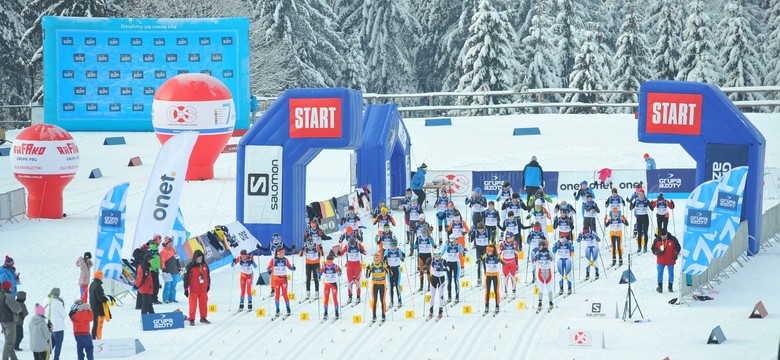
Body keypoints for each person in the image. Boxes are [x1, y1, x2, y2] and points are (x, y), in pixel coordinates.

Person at [184, 249, 211, 325]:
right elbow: (185, 278)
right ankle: (192, 319)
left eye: (201, 257)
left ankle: (203, 317)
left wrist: (208, 285)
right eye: (198, 258)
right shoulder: (190, 266)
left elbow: (208, 275)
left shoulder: (204, 265)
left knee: (203, 304)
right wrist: (186, 289)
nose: (200, 259)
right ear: (195, 258)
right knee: (193, 305)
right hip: (194, 290)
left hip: (203, 289)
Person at [266, 247, 295, 318]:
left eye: (284, 253)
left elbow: (289, 267)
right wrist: (269, 271)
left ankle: (288, 308)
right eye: (282, 253)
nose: (283, 254)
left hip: (284, 280)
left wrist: (293, 268)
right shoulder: (273, 259)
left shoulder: (285, 260)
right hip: (276, 280)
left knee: (285, 294)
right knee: (277, 294)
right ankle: (277, 309)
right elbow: (268, 267)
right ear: (278, 253)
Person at [339, 234, 367, 305]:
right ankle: (350, 297)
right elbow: (341, 253)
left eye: (353, 245)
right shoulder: (347, 245)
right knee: (350, 282)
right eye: (351, 245)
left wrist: (362, 251)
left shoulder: (358, 245)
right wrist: (339, 252)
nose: (352, 246)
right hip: (350, 266)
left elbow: (365, 252)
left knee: (357, 282)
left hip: (357, 266)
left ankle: (358, 297)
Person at [651, 229, 681, 293]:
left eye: (664, 236)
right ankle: (660, 287)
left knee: (671, 273)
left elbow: (678, 247)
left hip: (670, 259)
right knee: (660, 273)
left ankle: (670, 286)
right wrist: (657, 252)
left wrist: (676, 253)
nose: (663, 237)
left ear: (666, 234)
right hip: (660, 260)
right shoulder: (657, 240)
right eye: (662, 236)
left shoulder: (673, 239)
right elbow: (653, 249)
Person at [441, 234, 466, 304]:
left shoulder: (458, 246)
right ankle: (449, 296)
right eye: (455, 240)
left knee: (456, 280)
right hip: (448, 264)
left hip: (456, 264)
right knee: (449, 281)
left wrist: (464, 252)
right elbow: (440, 254)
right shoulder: (446, 246)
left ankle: (457, 296)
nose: (456, 241)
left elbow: (463, 253)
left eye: (456, 240)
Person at [1, 280, 22, 360]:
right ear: (8, 287)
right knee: (9, 343)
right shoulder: (8, 296)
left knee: (10, 342)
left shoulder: (1, 295)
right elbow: (17, 309)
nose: (11, 288)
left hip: (3, 321)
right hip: (10, 321)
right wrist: (19, 308)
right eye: (10, 287)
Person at [365, 253, 389, 324]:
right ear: (373, 260)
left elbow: (390, 274)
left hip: (382, 285)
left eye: (378, 259)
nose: (377, 261)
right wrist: (367, 270)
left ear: (380, 259)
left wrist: (388, 268)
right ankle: (374, 315)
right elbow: (367, 276)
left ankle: (383, 314)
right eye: (375, 260)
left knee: (382, 300)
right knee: (374, 300)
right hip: (375, 285)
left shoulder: (383, 265)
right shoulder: (372, 266)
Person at [88, 271, 112, 340]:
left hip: (93, 307)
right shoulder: (98, 286)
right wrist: (108, 298)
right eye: (102, 276)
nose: (103, 277)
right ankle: (98, 341)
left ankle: (93, 338)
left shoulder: (92, 284)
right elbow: (100, 298)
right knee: (99, 326)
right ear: (100, 277)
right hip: (99, 309)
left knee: (95, 325)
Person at [318, 254, 341, 320]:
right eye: (328, 262)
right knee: (326, 299)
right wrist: (318, 274)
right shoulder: (324, 266)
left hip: (333, 284)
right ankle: (325, 312)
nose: (329, 263)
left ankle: (336, 313)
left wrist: (339, 272)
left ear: (332, 261)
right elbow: (320, 272)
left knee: (335, 299)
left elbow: (339, 274)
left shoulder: (335, 266)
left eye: (330, 262)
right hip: (327, 284)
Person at [482, 244, 504, 315]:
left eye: (489, 251)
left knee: (496, 291)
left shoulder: (496, 257)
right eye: (487, 250)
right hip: (488, 275)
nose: (487, 252)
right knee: (487, 291)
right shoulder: (485, 256)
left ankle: (497, 306)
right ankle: (486, 306)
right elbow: (480, 258)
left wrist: (500, 260)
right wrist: (479, 259)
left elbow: (503, 262)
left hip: (495, 276)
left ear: (492, 251)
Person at [414, 226, 436, 292]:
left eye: (425, 233)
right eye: (423, 233)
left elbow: (434, 245)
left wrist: (434, 244)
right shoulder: (418, 238)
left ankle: (429, 285)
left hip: (428, 256)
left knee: (428, 271)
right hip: (421, 256)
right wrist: (415, 246)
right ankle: (421, 286)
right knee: (421, 271)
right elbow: (415, 246)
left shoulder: (429, 238)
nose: (423, 235)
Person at [383, 240, 405, 309]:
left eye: (394, 246)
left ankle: (399, 301)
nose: (393, 247)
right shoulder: (387, 251)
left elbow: (402, 259)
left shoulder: (398, 251)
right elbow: (384, 261)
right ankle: (391, 301)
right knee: (391, 286)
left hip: (397, 269)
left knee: (397, 286)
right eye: (392, 246)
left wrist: (403, 256)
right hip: (390, 270)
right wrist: (386, 264)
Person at [629, 189, 652, 253]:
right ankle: (639, 247)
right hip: (639, 218)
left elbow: (652, 209)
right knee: (639, 233)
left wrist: (650, 204)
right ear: (638, 194)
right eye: (640, 194)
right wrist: (630, 204)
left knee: (645, 232)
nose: (641, 196)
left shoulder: (646, 200)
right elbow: (631, 208)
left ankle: (645, 246)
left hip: (645, 217)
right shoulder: (636, 200)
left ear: (644, 194)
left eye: (642, 194)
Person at [534, 240, 554, 312]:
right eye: (538, 247)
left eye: (540, 246)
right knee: (541, 288)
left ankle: (551, 302)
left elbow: (554, 262)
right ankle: (539, 302)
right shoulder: (538, 253)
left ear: (544, 246)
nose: (539, 248)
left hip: (548, 272)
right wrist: (535, 260)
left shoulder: (549, 253)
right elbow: (534, 263)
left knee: (549, 288)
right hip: (541, 272)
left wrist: (551, 259)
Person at [160, 237, 181, 304]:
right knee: (167, 286)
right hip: (167, 271)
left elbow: (177, 259)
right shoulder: (163, 252)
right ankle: (165, 299)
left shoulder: (173, 250)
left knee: (173, 286)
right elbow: (162, 261)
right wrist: (163, 269)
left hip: (175, 270)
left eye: (171, 243)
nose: (171, 244)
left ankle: (172, 298)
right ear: (166, 244)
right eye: (169, 243)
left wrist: (179, 266)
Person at [447, 211, 469, 275]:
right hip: (454, 240)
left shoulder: (463, 222)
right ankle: (456, 269)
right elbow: (448, 229)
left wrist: (464, 233)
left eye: (457, 220)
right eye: (455, 220)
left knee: (460, 255)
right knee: (455, 255)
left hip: (461, 239)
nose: (456, 221)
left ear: (459, 218)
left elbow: (468, 230)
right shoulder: (452, 222)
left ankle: (462, 269)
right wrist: (446, 229)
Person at [499, 232, 520, 298]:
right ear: (508, 237)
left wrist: (515, 249)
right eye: (512, 237)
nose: (513, 238)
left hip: (512, 261)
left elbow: (517, 253)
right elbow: (499, 253)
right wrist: (502, 250)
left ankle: (513, 291)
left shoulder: (514, 243)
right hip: (505, 262)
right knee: (506, 277)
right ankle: (505, 292)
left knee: (513, 277)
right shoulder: (502, 243)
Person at [47, 287, 66, 360]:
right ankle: (56, 357)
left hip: (49, 325)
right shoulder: (58, 302)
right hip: (58, 326)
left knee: (51, 343)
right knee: (58, 344)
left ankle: (47, 355)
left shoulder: (46, 300)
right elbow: (63, 315)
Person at [428, 253, 447, 320]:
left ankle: (440, 311)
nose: (436, 257)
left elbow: (448, 269)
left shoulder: (443, 261)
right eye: (435, 256)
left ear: (440, 256)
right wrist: (425, 266)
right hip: (433, 279)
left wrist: (441, 269)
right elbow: (427, 264)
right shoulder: (432, 259)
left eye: (438, 256)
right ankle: (431, 311)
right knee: (432, 295)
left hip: (441, 279)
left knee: (440, 296)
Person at [147, 235, 162, 304]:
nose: (160, 242)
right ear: (156, 240)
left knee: (155, 284)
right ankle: (154, 298)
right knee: (155, 285)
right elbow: (151, 259)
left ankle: (153, 298)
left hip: (154, 268)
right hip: (153, 269)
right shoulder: (152, 248)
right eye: (159, 240)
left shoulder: (155, 247)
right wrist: (155, 267)